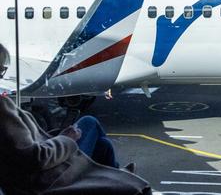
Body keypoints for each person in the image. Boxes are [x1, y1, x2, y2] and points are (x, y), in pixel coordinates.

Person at [0, 44, 150, 194]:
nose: (2, 74)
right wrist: (66, 138)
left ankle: (117, 176)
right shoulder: (2, 106)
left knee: (102, 144)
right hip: (43, 180)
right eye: (1, 69)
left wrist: (53, 137)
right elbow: (35, 159)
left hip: (30, 176)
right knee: (89, 123)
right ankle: (118, 177)